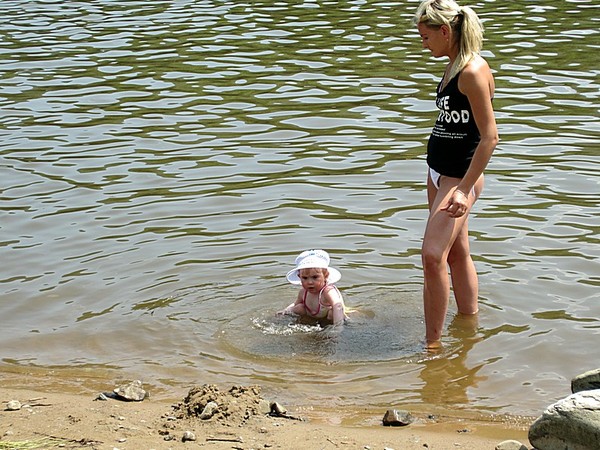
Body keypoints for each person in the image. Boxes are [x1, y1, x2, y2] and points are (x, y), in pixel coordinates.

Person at [413, 0, 499, 350]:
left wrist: (463, 190)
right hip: (437, 172)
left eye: (426, 36)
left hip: (458, 177)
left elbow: (490, 137)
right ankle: (468, 330)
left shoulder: (472, 71)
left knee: (432, 256)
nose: (423, 43)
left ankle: (432, 348)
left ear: (445, 31)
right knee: (456, 252)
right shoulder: (451, 65)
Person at [279, 249, 347, 326]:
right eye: (305, 278)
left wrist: (337, 327)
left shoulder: (327, 291)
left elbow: (337, 305)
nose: (309, 282)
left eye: (315, 277)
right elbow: (295, 304)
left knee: (332, 313)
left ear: (326, 276)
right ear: (299, 277)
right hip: (312, 316)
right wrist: (285, 311)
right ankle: (304, 323)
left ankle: (334, 325)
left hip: (329, 318)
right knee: (299, 308)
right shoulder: (303, 292)